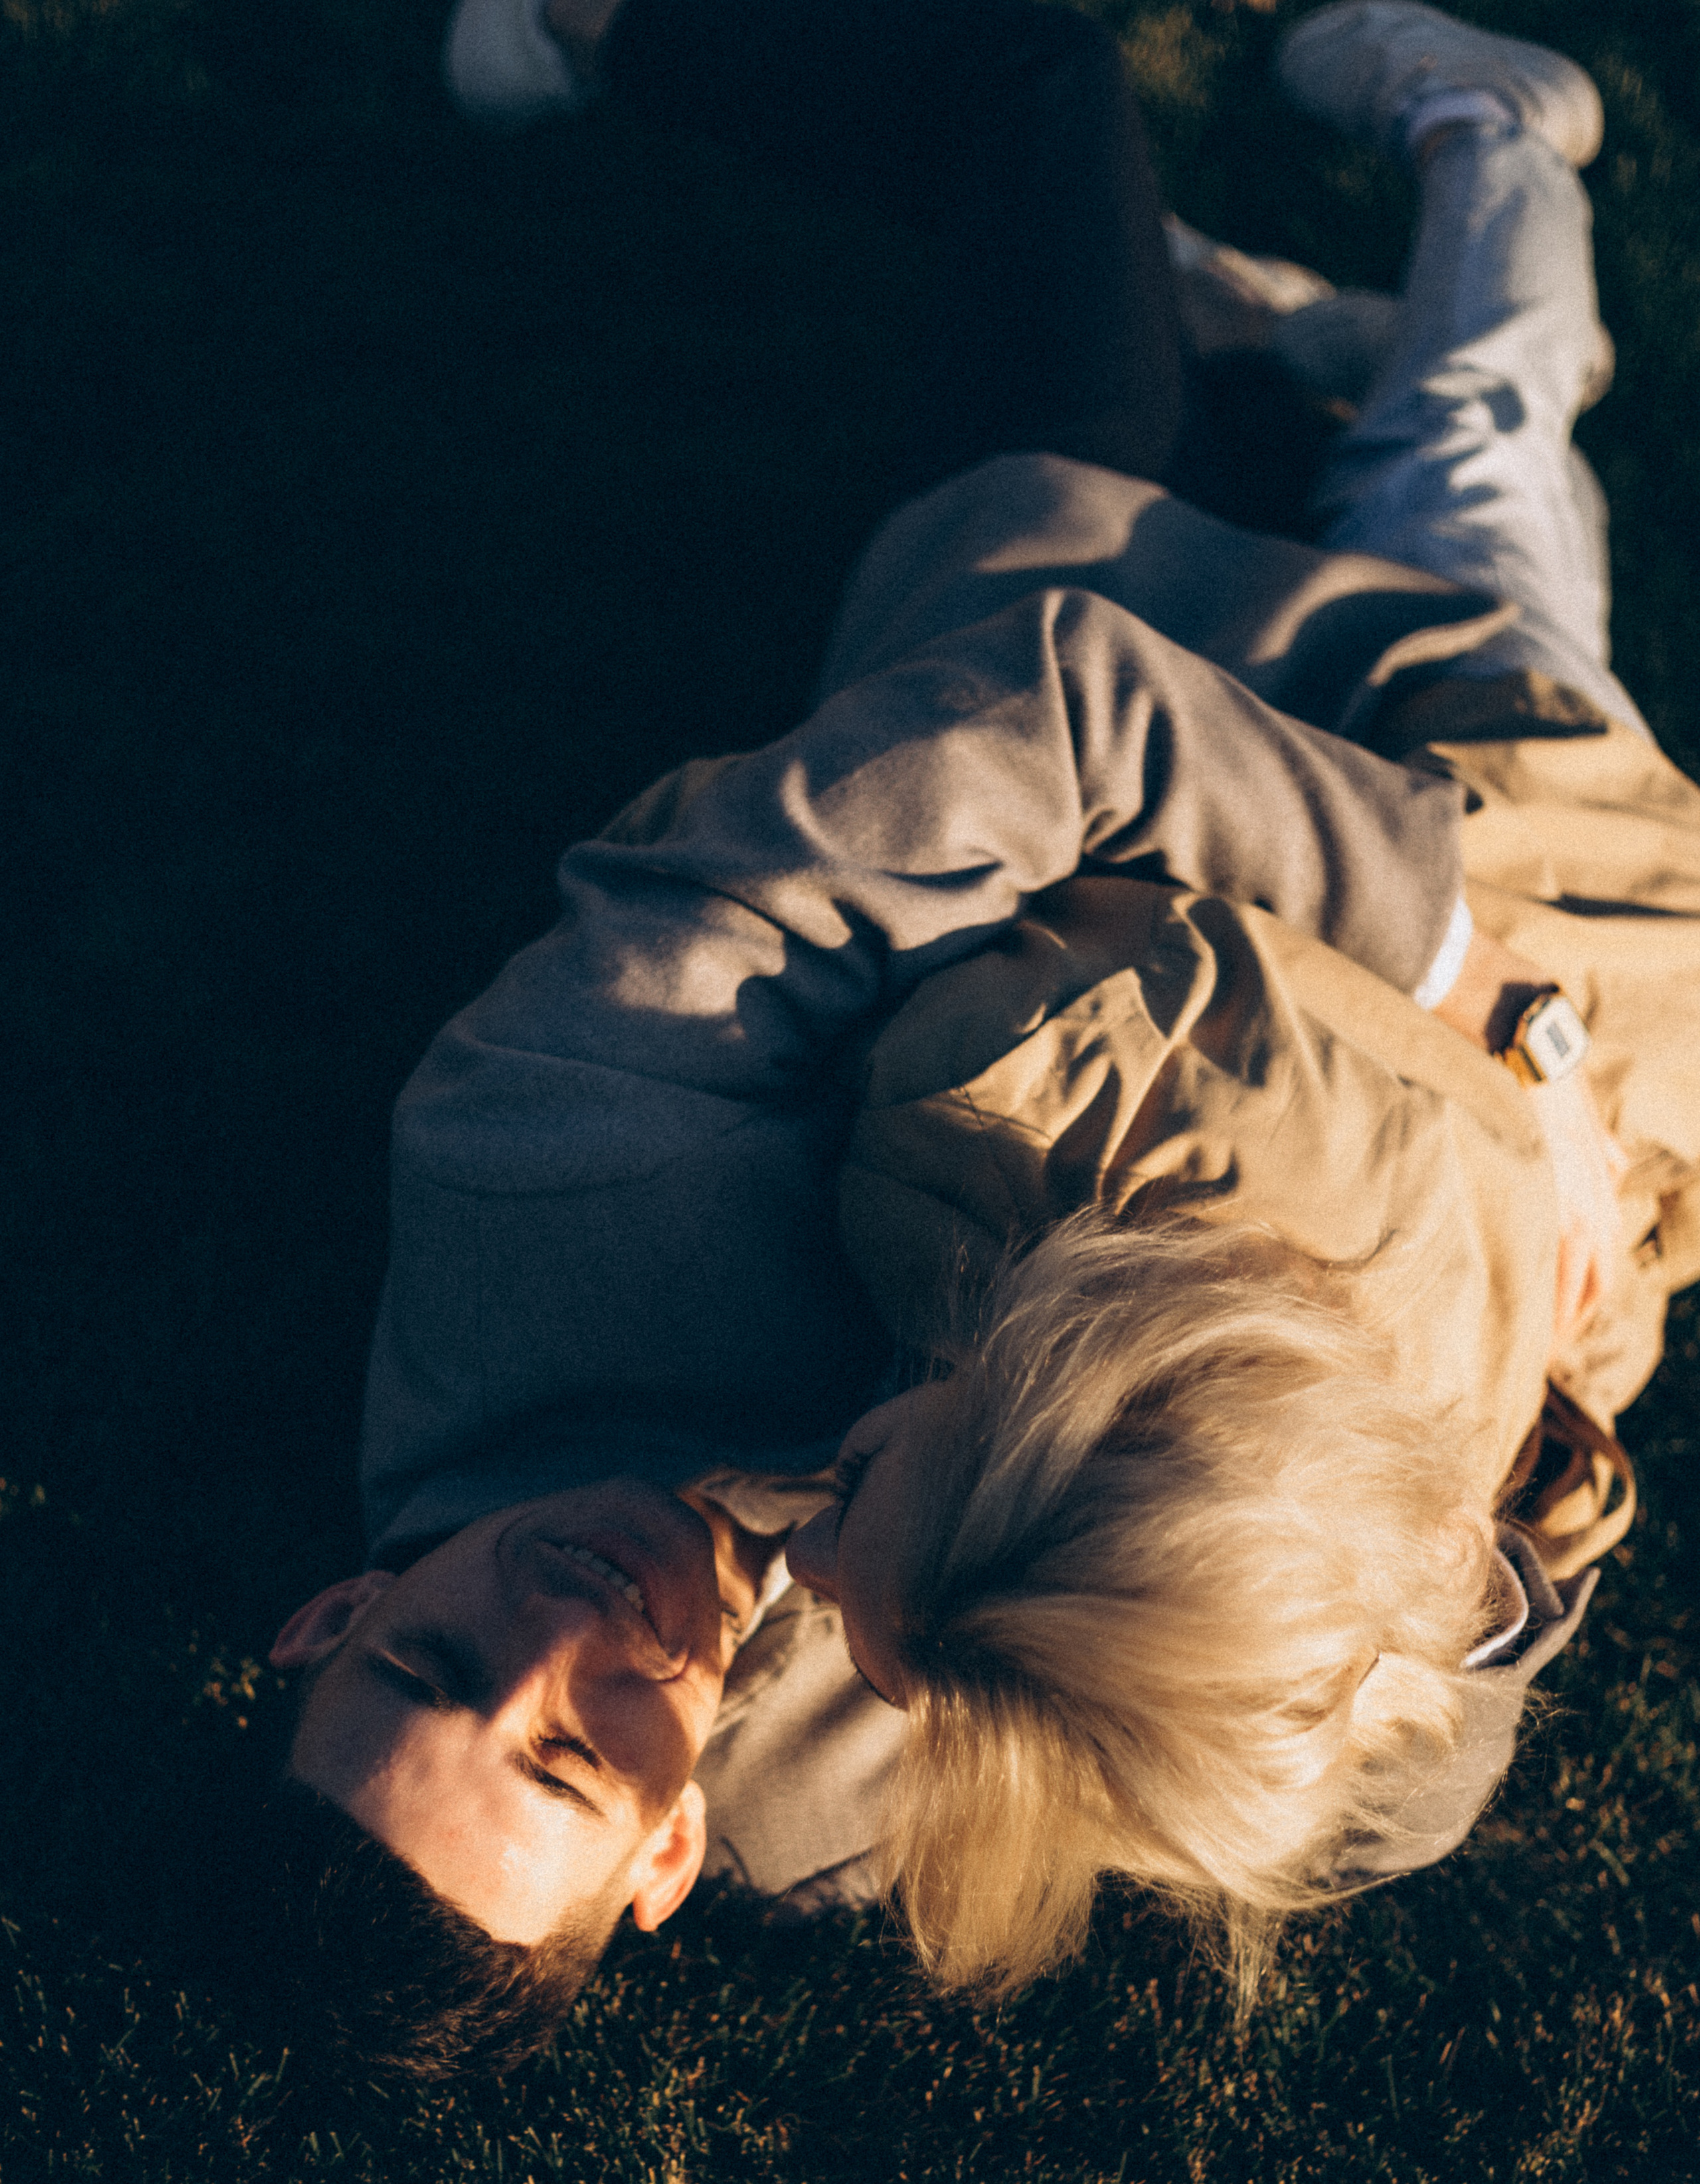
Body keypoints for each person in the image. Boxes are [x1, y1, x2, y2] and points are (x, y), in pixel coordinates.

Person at [249, 0, 1700, 2076]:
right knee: (1475, 469)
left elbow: (1036, 733)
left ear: (325, 1618)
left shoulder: (532, 1156)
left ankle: (603, 32)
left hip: (1169, 643)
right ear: (668, 1861)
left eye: (433, 1657)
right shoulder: (858, 1823)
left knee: (1037, 76)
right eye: (570, 1757)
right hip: (1427, 1089)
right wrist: (1503, 1464)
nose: (564, 1625)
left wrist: (1493, 1006)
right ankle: (1297, 333)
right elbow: (1367, 1770)